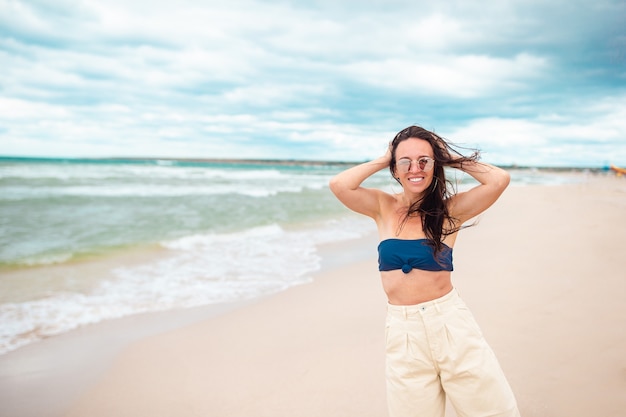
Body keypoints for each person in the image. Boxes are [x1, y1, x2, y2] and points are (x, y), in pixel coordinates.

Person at [329, 125, 520, 417]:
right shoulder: (383, 206)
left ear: (435, 166)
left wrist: (448, 157)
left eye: (424, 161)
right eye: (405, 162)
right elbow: (340, 185)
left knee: (491, 411)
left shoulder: (450, 211)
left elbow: (498, 180)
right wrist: (386, 157)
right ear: (394, 168)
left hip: (450, 325)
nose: (414, 168)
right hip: (403, 332)